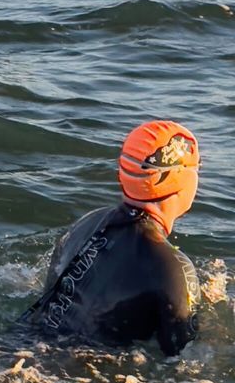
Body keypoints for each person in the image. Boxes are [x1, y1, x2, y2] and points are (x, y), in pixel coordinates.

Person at [20, 119, 203, 356]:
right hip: (72, 377)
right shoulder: (175, 268)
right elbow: (186, 359)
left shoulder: (87, 224)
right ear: (182, 178)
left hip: (21, 346)